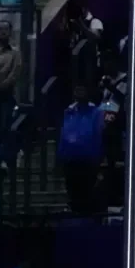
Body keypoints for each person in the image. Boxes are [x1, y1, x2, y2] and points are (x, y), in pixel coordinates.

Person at [59, 83, 104, 214]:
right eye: (76, 90)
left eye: (81, 90)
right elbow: (63, 133)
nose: (78, 93)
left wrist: (98, 157)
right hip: (70, 159)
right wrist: (61, 154)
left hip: (88, 160)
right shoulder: (69, 112)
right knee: (72, 190)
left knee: (86, 192)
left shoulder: (95, 112)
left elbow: (98, 134)